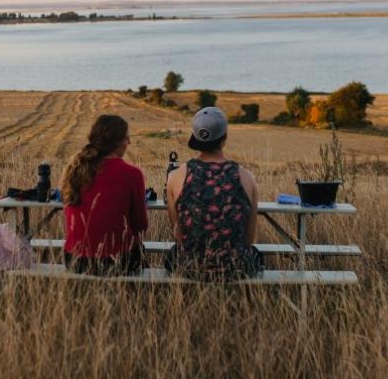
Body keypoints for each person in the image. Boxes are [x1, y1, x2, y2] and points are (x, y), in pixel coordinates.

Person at [166, 107, 263, 280]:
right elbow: (249, 239)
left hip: (191, 267)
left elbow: (178, 235)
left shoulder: (175, 177)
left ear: (195, 136)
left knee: (171, 255)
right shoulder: (247, 177)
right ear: (224, 137)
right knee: (257, 255)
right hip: (236, 268)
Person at [61, 114, 148, 275]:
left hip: (74, 260)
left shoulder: (74, 170)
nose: (129, 142)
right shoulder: (132, 174)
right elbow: (140, 226)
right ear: (117, 142)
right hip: (117, 261)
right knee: (141, 253)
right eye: (126, 138)